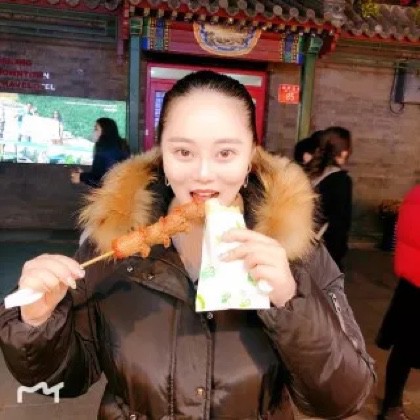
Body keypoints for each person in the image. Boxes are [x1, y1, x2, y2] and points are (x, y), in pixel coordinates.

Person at [0, 71, 374, 419]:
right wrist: (37, 323)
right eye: (183, 152)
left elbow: (344, 398)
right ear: (162, 154)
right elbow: (65, 379)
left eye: (225, 153)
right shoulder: (111, 243)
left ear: (250, 157)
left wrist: (292, 301)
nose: (204, 174)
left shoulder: (296, 251)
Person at [376, 185, 420, 420]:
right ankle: (392, 405)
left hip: (411, 284)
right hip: (416, 286)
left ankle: (392, 405)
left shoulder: (415, 194)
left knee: (403, 348)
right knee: (405, 348)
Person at [305, 126, 353, 271]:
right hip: (323, 253)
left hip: (300, 246)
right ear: (343, 152)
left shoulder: (308, 173)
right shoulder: (340, 181)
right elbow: (339, 224)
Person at [71, 117, 130, 188]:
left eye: (96, 129)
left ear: (105, 131)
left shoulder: (103, 150)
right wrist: (83, 176)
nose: (93, 132)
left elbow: (99, 180)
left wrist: (81, 177)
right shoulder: (121, 147)